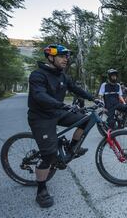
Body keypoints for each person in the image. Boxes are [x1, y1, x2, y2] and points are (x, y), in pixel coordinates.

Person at [28, 44, 98, 208]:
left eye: (66, 56)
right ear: (51, 57)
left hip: (56, 112)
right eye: (62, 56)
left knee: (86, 119)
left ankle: (72, 148)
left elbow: (76, 89)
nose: (66, 59)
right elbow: (39, 95)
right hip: (40, 117)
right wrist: (62, 105)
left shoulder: (62, 76)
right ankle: (41, 190)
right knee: (49, 155)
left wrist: (93, 98)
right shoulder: (38, 75)